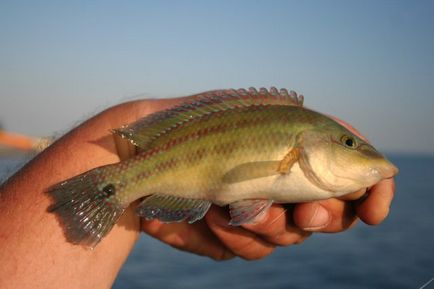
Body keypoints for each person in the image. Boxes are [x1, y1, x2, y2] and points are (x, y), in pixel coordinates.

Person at [0, 96, 395, 289]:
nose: (360, 151)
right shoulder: (298, 133)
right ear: (309, 142)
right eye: (347, 142)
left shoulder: (305, 134)